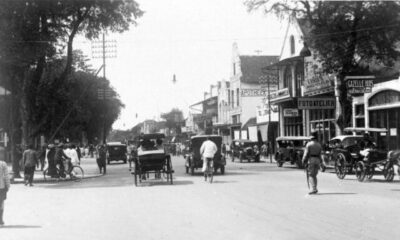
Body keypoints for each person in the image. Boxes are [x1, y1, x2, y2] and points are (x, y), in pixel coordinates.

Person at [0, 157, 10, 226]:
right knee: (1, 203)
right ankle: (0, 219)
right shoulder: (3, 164)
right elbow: (6, 176)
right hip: (1, 186)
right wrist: (8, 185)